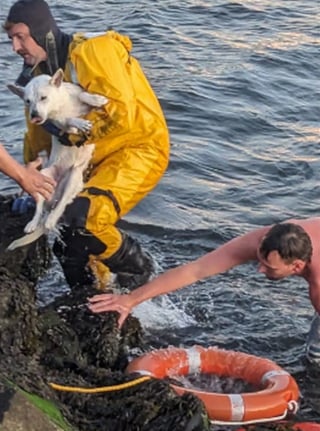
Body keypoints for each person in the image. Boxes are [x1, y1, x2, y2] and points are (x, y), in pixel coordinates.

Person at [4, 0, 170, 289]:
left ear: (42, 32)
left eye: (21, 36)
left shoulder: (92, 51)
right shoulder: (38, 81)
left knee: (86, 217)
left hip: (138, 148)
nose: (15, 47)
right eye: (10, 40)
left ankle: (138, 269)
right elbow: (39, 135)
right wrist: (33, 169)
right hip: (91, 155)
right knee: (69, 238)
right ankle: (89, 300)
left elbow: (121, 115)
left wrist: (70, 135)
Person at [88, 218, 320, 365]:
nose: (259, 270)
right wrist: (130, 300)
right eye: (259, 260)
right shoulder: (266, 239)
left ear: (297, 267)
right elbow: (195, 270)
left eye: (269, 268)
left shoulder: (317, 284)